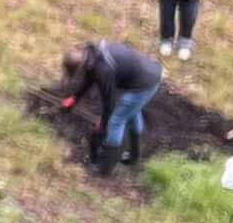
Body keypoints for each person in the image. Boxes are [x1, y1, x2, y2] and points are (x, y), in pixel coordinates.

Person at [59, 36, 160, 172]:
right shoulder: (91, 54)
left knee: (116, 121)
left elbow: (109, 102)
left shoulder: (103, 70)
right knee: (132, 112)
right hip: (148, 74)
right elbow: (89, 79)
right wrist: (75, 98)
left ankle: (105, 167)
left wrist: (103, 124)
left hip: (145, 84)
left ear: (81, 67)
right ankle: (134, 156)